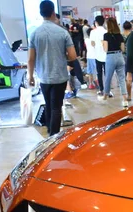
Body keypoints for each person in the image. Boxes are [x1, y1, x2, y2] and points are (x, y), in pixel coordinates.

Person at [27, 0, 76, 136]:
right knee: (56, 107)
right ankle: (53, 136)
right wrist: (62, 56)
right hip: (59, 76)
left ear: (41, 13)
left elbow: (31, 59)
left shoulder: (34, 34)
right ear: (53, 12)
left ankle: (50, 131)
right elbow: (73, 56)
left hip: (43, 76)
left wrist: (30, 76)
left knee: (48, 104)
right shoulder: (63, 33)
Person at [102, 18, 129, 107]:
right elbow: (123, 49)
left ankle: (105, 96)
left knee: (108, 78)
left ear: (108, 25)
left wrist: (102, 43)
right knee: (122, 78)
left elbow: (105, 49)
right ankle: (125, 99)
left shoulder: (106, 35)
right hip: (120, 56)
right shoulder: (119, 35)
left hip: (110, 56)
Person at [90, 16, 107, 97]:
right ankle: (108, 90)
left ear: (96, 22)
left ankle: (101, 89)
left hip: (97, 55)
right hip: (106, 55)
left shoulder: (93, 32)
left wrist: (96, 47)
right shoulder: (106, 31)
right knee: (107, 74)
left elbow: (92, 44)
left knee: (99, 73)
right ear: (103, 22)